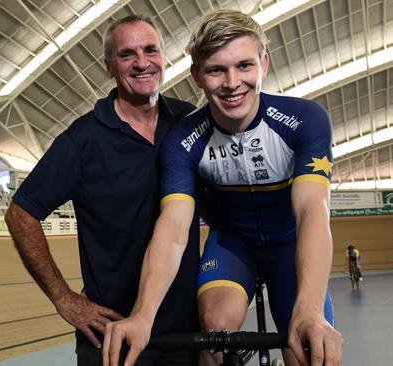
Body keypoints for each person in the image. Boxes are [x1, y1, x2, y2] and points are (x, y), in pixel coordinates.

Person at [103, 9, 343, 366]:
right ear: (196, 75)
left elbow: (312, 210)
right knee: (214, 332)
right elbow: (172, 229)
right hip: (233, 245)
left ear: (264, 63)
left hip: (289, 247)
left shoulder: (305, 120)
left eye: (244, 66)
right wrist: (143, 314)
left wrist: (308, 310)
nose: (232, 83)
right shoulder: (184, 139)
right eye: (217, 69)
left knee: (310, 351)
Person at [4, 15, 200, 366]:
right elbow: (21, 214)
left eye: (150, 50)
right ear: (109, 66)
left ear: (164, 58)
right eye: (127, 54)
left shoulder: (189, 122)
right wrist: (63, 298)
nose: (141, 62)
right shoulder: (83, 139)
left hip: (185, 332)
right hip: (112, 335)